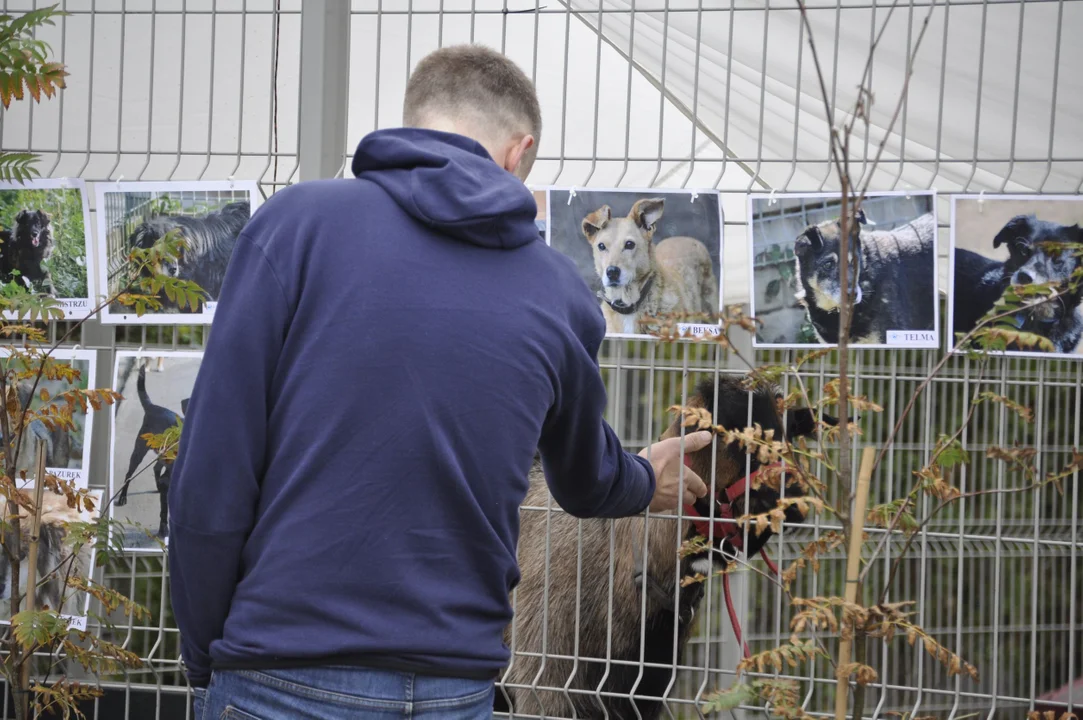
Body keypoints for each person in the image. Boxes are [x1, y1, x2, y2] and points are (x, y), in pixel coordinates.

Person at [168, 43, 712, 720]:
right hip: (453, 688)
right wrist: (644, 478)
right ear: (519, 152)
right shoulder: (557, 293)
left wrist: (206, 655)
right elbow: (583, 480)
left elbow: (211, 475)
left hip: (278, 670)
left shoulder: (292, 228)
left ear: (412, 121)